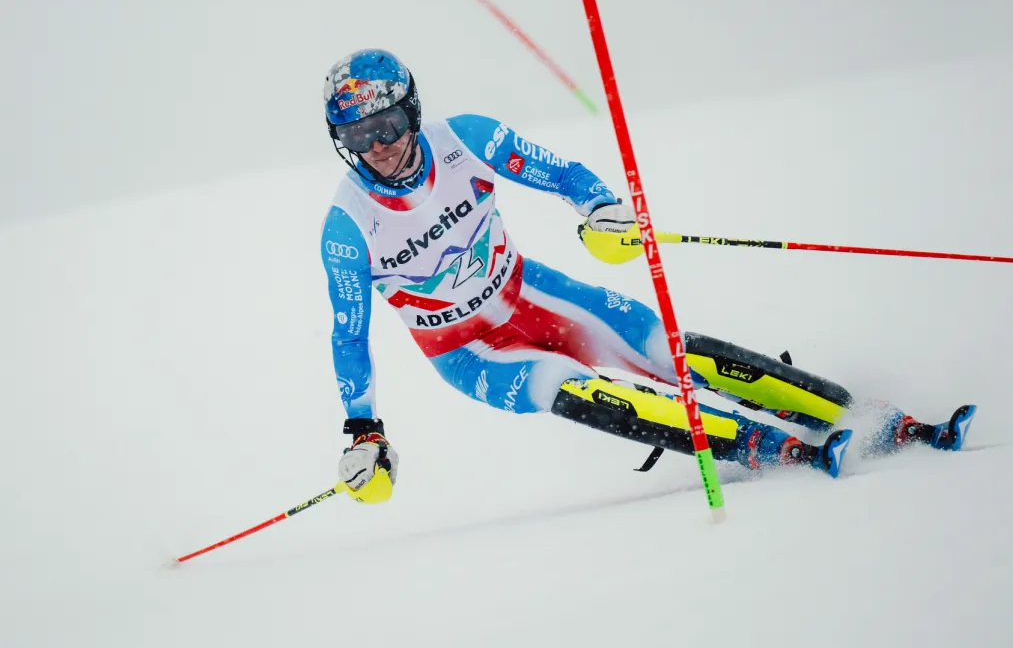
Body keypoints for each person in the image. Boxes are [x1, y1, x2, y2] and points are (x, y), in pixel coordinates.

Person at [321, 49, 975, 503]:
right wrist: (363, 430)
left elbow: (564, 174)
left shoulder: (466, 138)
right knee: (568, 387)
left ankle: (874, 418)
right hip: (468, 352)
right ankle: (774, 449)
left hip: (536, 294)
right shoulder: (348, 227)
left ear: (411, 111)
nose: (379, 143)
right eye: (359, 134)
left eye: (388, 122)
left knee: (670, 352)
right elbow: (349, 337)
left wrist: (600, 208)